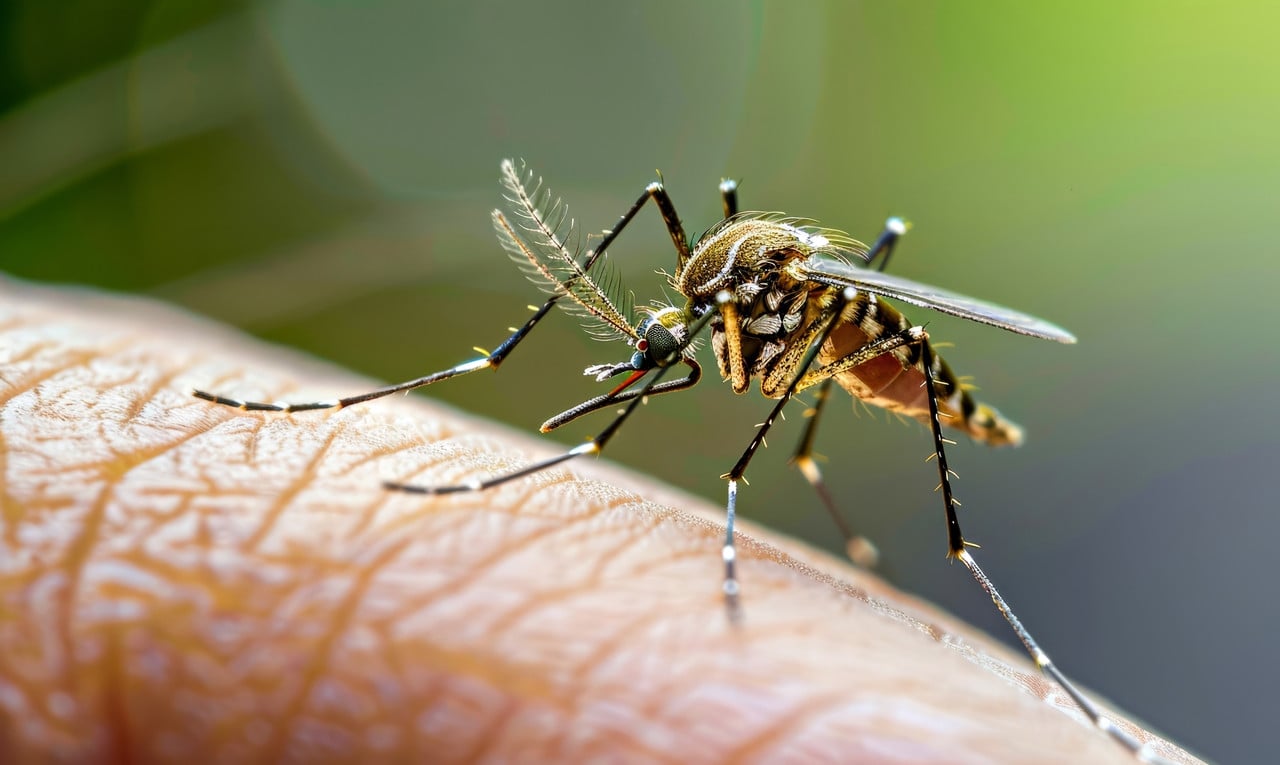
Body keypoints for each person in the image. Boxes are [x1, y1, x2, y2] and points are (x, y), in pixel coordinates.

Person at [0, 278, 1195, 763]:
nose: (656, 361)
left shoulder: (754, 301)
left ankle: (985, 594)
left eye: (657, 354)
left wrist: (745, 487)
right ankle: (484, 372)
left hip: (867, 338)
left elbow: (810, 330)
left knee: (839, 324)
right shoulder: (709, 305)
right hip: (787, 316)